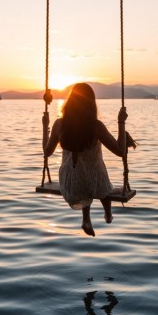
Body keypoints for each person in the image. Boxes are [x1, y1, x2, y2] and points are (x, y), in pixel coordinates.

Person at [43, 83, 135, 236]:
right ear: (91, 103)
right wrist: (121, 122)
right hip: (95, 184)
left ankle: (86, 219)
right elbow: (120, 151)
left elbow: (46, 152)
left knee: (83, 174)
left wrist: (45, 127)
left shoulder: (59, 124)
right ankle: (107, 213)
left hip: (69, 186)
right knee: (101, 183)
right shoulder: (96, 127)